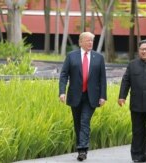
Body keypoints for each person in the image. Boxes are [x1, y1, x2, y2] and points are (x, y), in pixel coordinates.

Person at [59, 32, 107, 161]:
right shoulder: (71, 56)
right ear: (80, 42)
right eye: (87, 40)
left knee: (85, 121)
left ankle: (82, 150)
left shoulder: (99, 57)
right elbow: (64, 75)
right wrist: (62, 92)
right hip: (75, 95)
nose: (90, 43)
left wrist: (103, 96)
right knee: (77, 123)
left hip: (92, 96)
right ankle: (82, 147)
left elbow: (103, 78)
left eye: (92, 41)